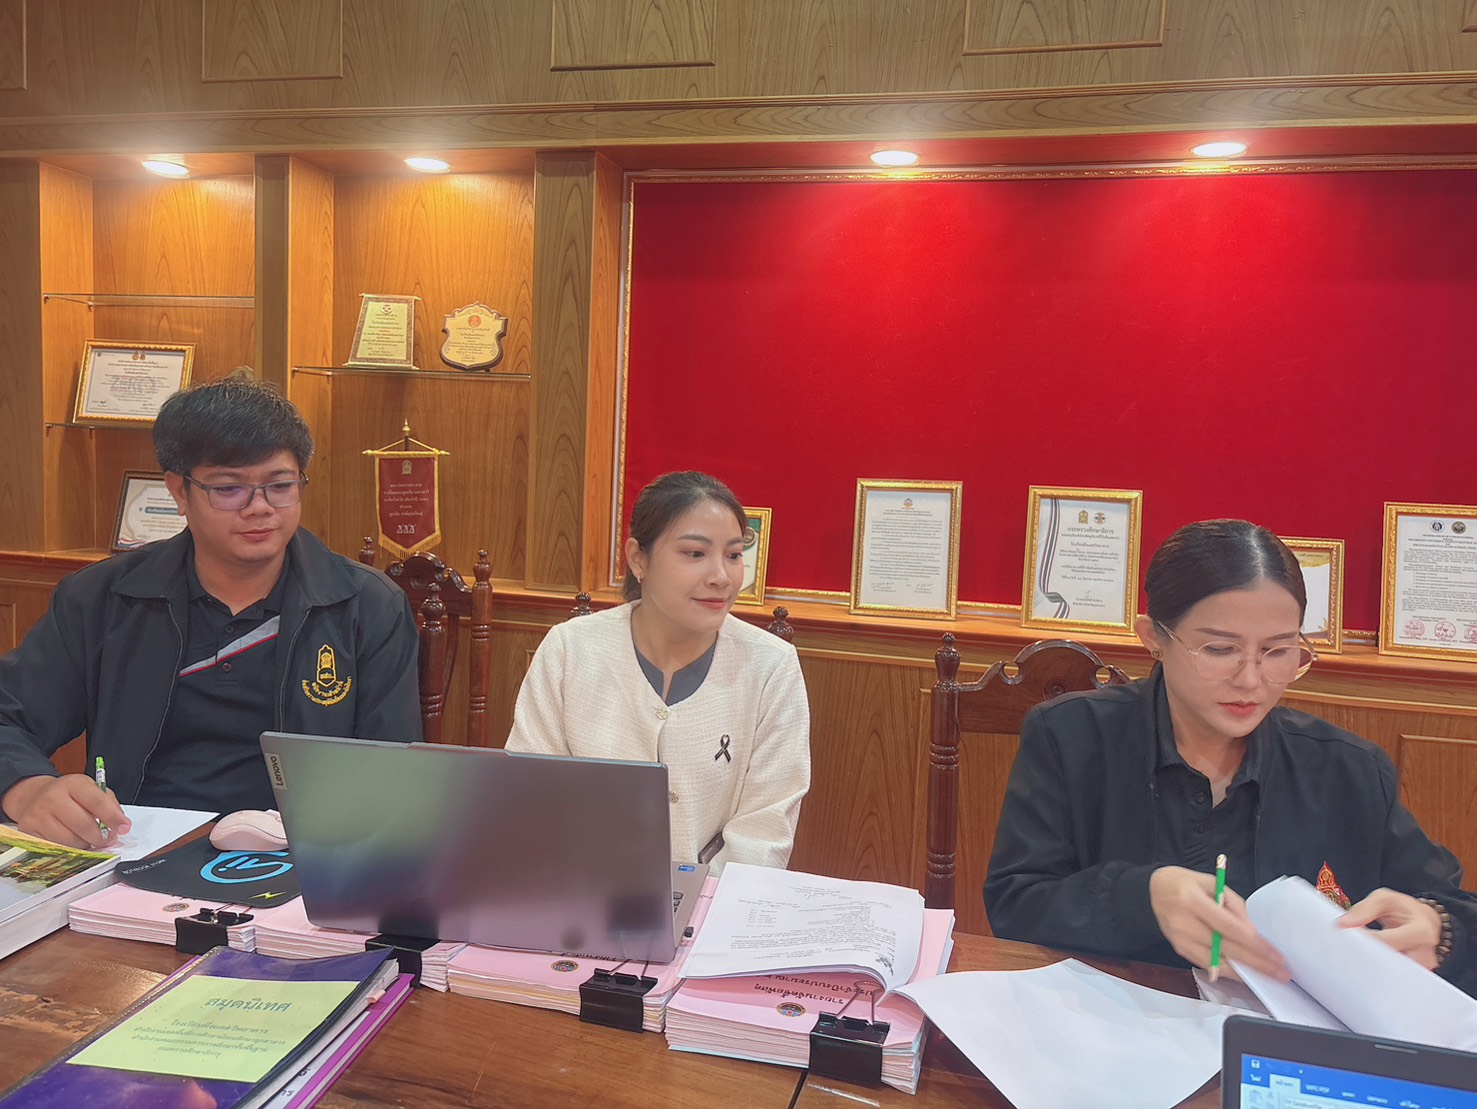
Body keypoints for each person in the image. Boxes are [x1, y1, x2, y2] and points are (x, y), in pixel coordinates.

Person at [986, 519, 1476, 995]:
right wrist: (1141, 898)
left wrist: (1441, 930)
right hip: (1114, 1022)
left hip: (1286, 1039)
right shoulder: (1072, 736)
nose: (1250, 680)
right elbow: (1016, 904)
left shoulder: (1348, 768)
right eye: (1220, 649)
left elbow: (1452, 907)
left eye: (1278, 651)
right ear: (1154, 637)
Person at [0, 379, 421, 847]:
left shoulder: (366, 605)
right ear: (179, 491)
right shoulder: (101, 597)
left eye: (280, 486)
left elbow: (393, 773)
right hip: (134, 846)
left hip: (304, 852)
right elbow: (8, 717)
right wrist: (28, 787)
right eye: (229, 488)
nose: (259, 508)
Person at [506, 471, 810, 870]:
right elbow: (530, 795)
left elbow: (764, 831)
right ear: (638, 559)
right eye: (695, 554)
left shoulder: (771, 665)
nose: (721, 577)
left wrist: (701, 900)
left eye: (734, 555)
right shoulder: (571, 649)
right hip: (576, 887)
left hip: (716, 897)